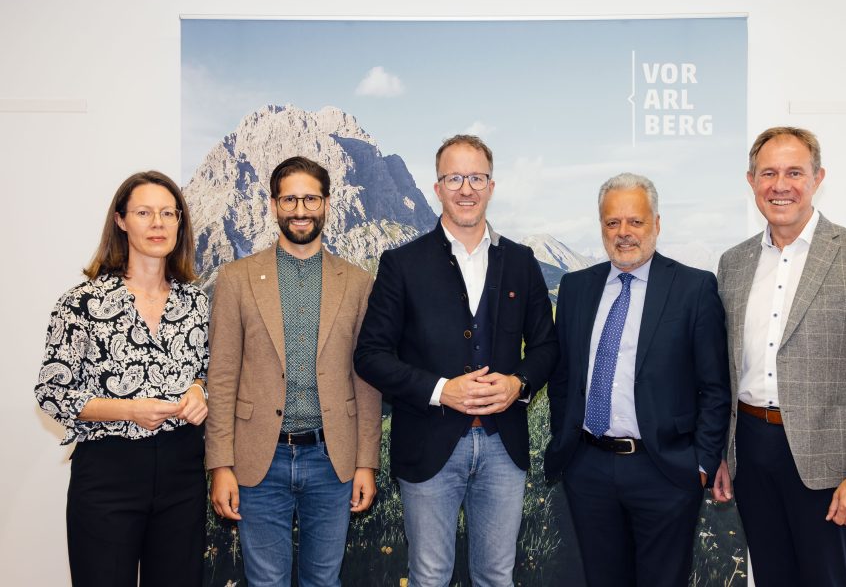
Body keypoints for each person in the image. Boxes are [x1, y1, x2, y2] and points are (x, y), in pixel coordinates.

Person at [354, 135, 558, 587]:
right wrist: (441, 390)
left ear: (491, 185)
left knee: (495, 576)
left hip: (504, 449)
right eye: (454, 178)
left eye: (477, 177)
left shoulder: (522, 262)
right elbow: (370, 355)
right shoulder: (400, 264)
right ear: (437, 187)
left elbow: (547, 348)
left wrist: (517, 384)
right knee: (429, 577)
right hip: (428, 446)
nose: (466, 188)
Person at [712, 127, 846, 586]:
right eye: (769, 173)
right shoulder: (733, 263)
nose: (781, 185)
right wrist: (722, 452)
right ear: (751, 181)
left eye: (795, 172)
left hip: (827, 462)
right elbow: (723, 367)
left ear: (818, 178)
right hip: (751, 452)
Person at [544, 172, 730, 587]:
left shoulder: (694, 288)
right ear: (602, 227)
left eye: (635, 222)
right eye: (612, 223)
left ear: (657, 224)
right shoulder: (576, 287)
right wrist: (566, 444)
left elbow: (715, 387)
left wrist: (700, 463)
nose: (623, 233)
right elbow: (562, 377)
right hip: (588, 467)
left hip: (664, 470)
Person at [206, 155, 381, 587]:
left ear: (326, 203)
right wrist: (221, 465)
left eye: (310, 199)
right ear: (272, 204)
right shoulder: (235, 278)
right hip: (258, 461)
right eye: (290, 200)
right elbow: (222, 377)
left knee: (324, 581)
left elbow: (367, 380)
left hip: (332, 459)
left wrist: (366, 464)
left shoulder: (358, 282)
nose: (300, 210)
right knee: (266, 583)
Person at [36, 171, 209, 587]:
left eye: (169, 213)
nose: (158, 223)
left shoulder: (197, 302)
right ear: (120, 220)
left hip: (182, 470)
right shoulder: (81, 302)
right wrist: (128, 410)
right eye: (145, 212)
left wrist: (199, 390)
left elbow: (205, 369)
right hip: (109, 471)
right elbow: (51, 392)